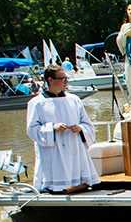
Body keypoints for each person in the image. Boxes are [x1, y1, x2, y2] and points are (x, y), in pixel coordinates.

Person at [26, 65, 98, 194]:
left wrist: (80, 128)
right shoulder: (37, 103)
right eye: (62, 78)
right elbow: (32, 130)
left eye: (66, 78)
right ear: (50, 80)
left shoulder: (74, 100)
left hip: (75, 147)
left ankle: (80, 185)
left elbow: (87, 123)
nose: (65, 81)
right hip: (53, 151)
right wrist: (52, 128)